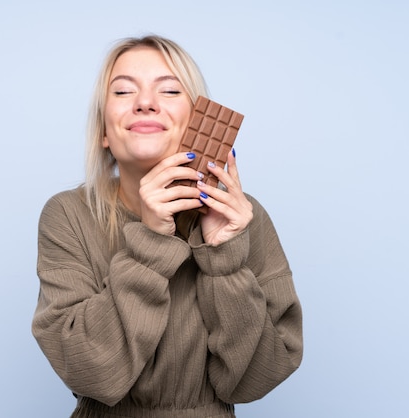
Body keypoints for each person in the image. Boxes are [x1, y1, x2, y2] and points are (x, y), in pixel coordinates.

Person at [32, 34, 303, 417]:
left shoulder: (241, 217)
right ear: (104, 133)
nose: (145, 103)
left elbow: (258, 378)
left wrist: (224, 256)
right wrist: (150, 244)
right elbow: (90, 373)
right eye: (124, 91)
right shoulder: (68, 215)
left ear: (197, 120)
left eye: (170, 90)